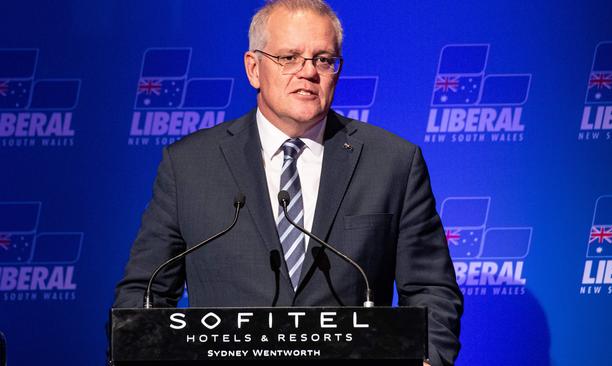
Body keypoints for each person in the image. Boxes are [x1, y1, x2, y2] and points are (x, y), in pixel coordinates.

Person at [113, 0, 463, 364]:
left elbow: (431, 289)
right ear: (253, 68)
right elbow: (145, 291)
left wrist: (427, 359)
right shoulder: (189, 165)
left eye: (323, 59)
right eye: (289, 58)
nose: (308, 72)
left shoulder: (392, 162)